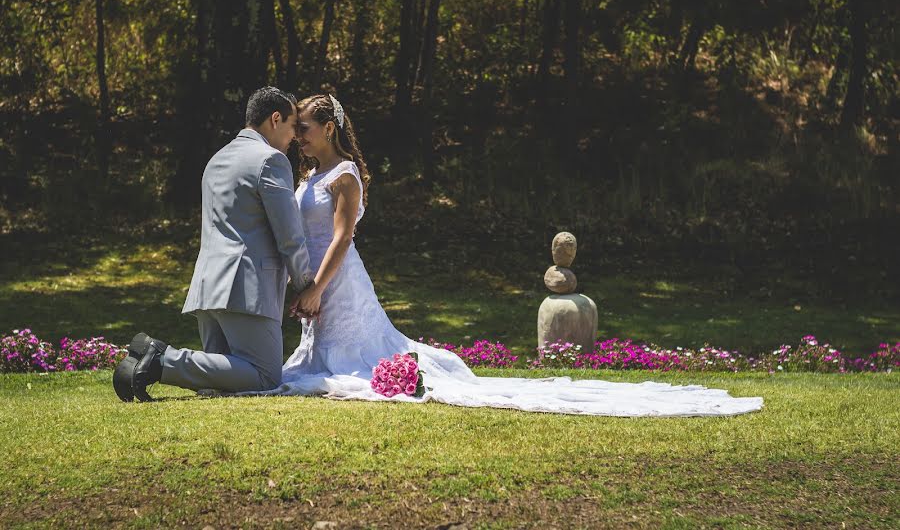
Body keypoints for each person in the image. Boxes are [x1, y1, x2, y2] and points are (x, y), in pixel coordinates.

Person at [252, 93, 763, 417]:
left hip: (338, 276)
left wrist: (317, 285)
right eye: (296, 129)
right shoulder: (309, 175)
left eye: (305, 128)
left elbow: (342, 238)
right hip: (314, 275)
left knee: (355, 358)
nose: (298, 137)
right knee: (321, 355)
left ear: (329, 130)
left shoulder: (343, 176)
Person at [113, 87, 317, 402]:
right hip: (247, 288)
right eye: (292, 126)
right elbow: (289, 235)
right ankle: (160, 359)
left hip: (208, 288)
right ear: (275, 119)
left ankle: (153, 360)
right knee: (264, 376)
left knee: (229, 379)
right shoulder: (271, 160)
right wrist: (306, 284)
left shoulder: (217, 159)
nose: (294, 137)